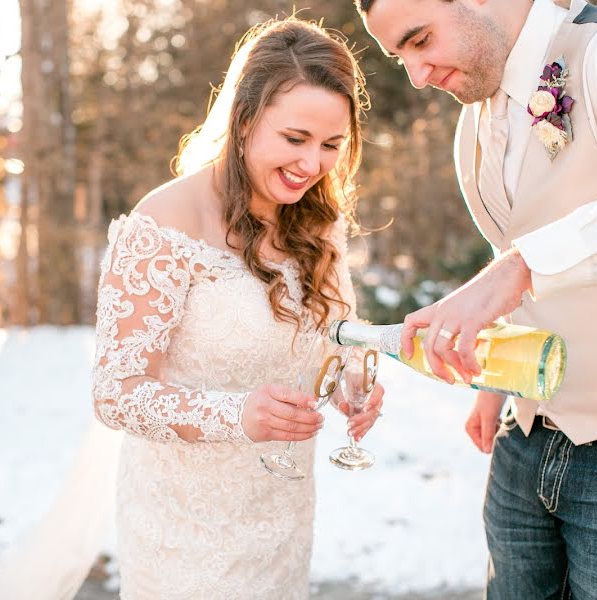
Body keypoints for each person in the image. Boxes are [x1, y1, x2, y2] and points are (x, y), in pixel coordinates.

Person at [357, 0, 597, 597]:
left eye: (420, 40)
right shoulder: (472, 119)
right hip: (526, 436)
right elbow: (527, 240)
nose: (417, 75)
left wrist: (520, 269)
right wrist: (500, 382)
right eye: (401, 57)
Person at [91, 17, 383, 600]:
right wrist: (236, 417)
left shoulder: (318, 222)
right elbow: (115, 392)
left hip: (281, 515)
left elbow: (333, 336)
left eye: (332, 145)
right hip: (185, 531)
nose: (313, 165)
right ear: (244, 120)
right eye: (295, 139)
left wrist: (349, 380)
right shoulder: (165, 222)